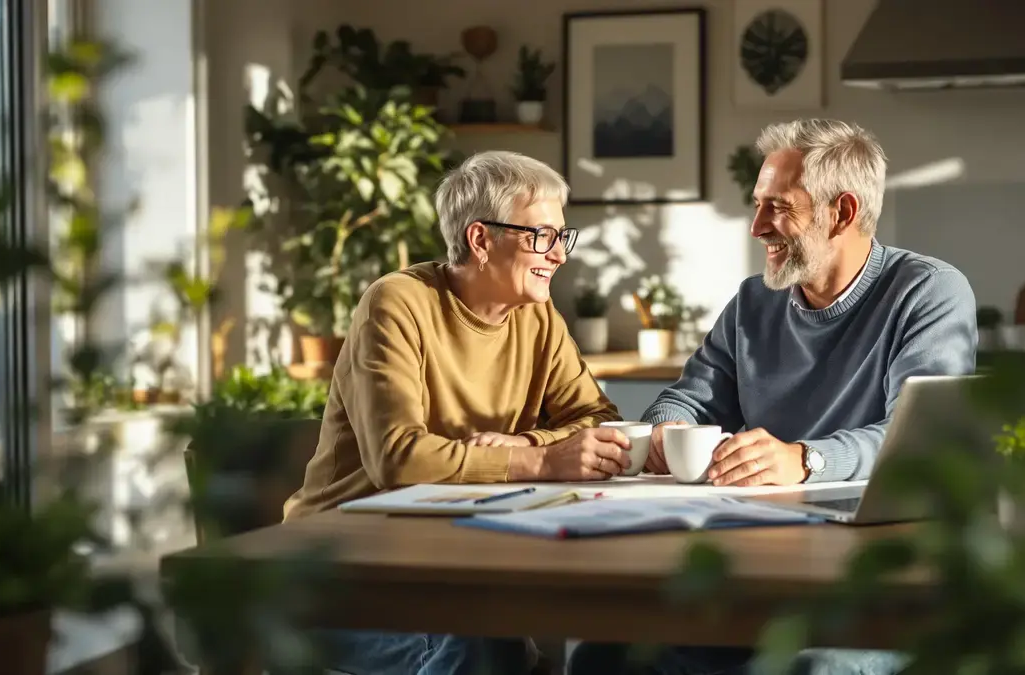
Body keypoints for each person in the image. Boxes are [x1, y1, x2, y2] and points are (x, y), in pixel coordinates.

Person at [569, 118, 976, 674]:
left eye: (779, 208)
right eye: (757, 205)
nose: (757, 226)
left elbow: (921, 441)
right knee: (602, 655)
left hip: (875, 577)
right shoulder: (752, 303)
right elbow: (689, 397)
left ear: (844, 212)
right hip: (755, 566)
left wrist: (803, 460)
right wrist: (665, 427)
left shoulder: (928, 292)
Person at [284, 150, 632, 675]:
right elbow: (397, 460)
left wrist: (528, 445)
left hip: (448, 565)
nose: (559, 254)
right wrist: (543, 463)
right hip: (340, 578)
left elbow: (601, 422)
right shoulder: (397, 303)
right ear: (480, 239)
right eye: (542, 236)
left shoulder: (537, 316)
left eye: (562, 237)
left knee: (577, 647)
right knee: (488, 650)